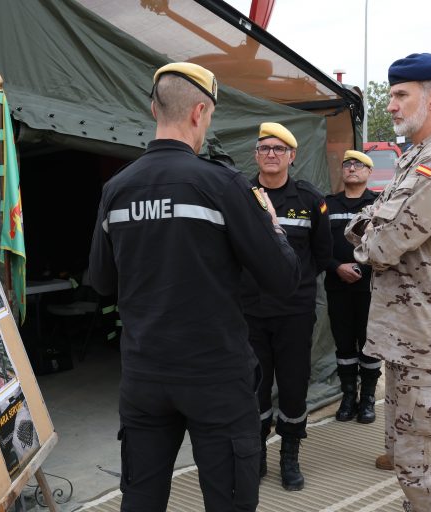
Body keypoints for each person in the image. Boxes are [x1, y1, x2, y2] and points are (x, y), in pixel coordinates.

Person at [88, 62, 300, 512]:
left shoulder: (116, 190)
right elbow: (282, 279)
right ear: (200, 112)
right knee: (229, 501)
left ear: (153, 108)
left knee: (141, 499)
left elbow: (103, 282)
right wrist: (272, 226)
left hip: (145, 375)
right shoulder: (222, 185)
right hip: (216, 377)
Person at [345, 53, 431, 512]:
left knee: (428, 473)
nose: (392, 106)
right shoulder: (416, 158)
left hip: (429, 344)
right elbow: (372, 223)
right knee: (411, 466)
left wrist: (367, 235)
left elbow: (379, 245)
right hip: (409, 338)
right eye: (391, 96)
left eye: (401, 95)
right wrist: (370, 230)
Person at [240, 122, 332, 490]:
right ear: (256, 155)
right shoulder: (241, 195)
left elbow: (322, 255)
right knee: (254, 387)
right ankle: (257, 452)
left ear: (293, 156)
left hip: (294, 311)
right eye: (265, 149)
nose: (272, 155)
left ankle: (290, 455)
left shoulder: (310, 199)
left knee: (293, 387)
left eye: (279, 149)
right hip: (250, 312)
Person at [324, 150, 380, 424]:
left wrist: (363, 269)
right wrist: (337, 267)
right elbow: (319, 246)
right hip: (338, 286)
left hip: (371, 288)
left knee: (370, 344)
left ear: (369, 173)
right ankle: (348, 396)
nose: (352, 168)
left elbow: (388, 245)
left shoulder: (380, 204)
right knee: (344, 344)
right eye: (347, 164)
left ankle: (368, 398)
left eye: (359, 165)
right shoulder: (328, 204)